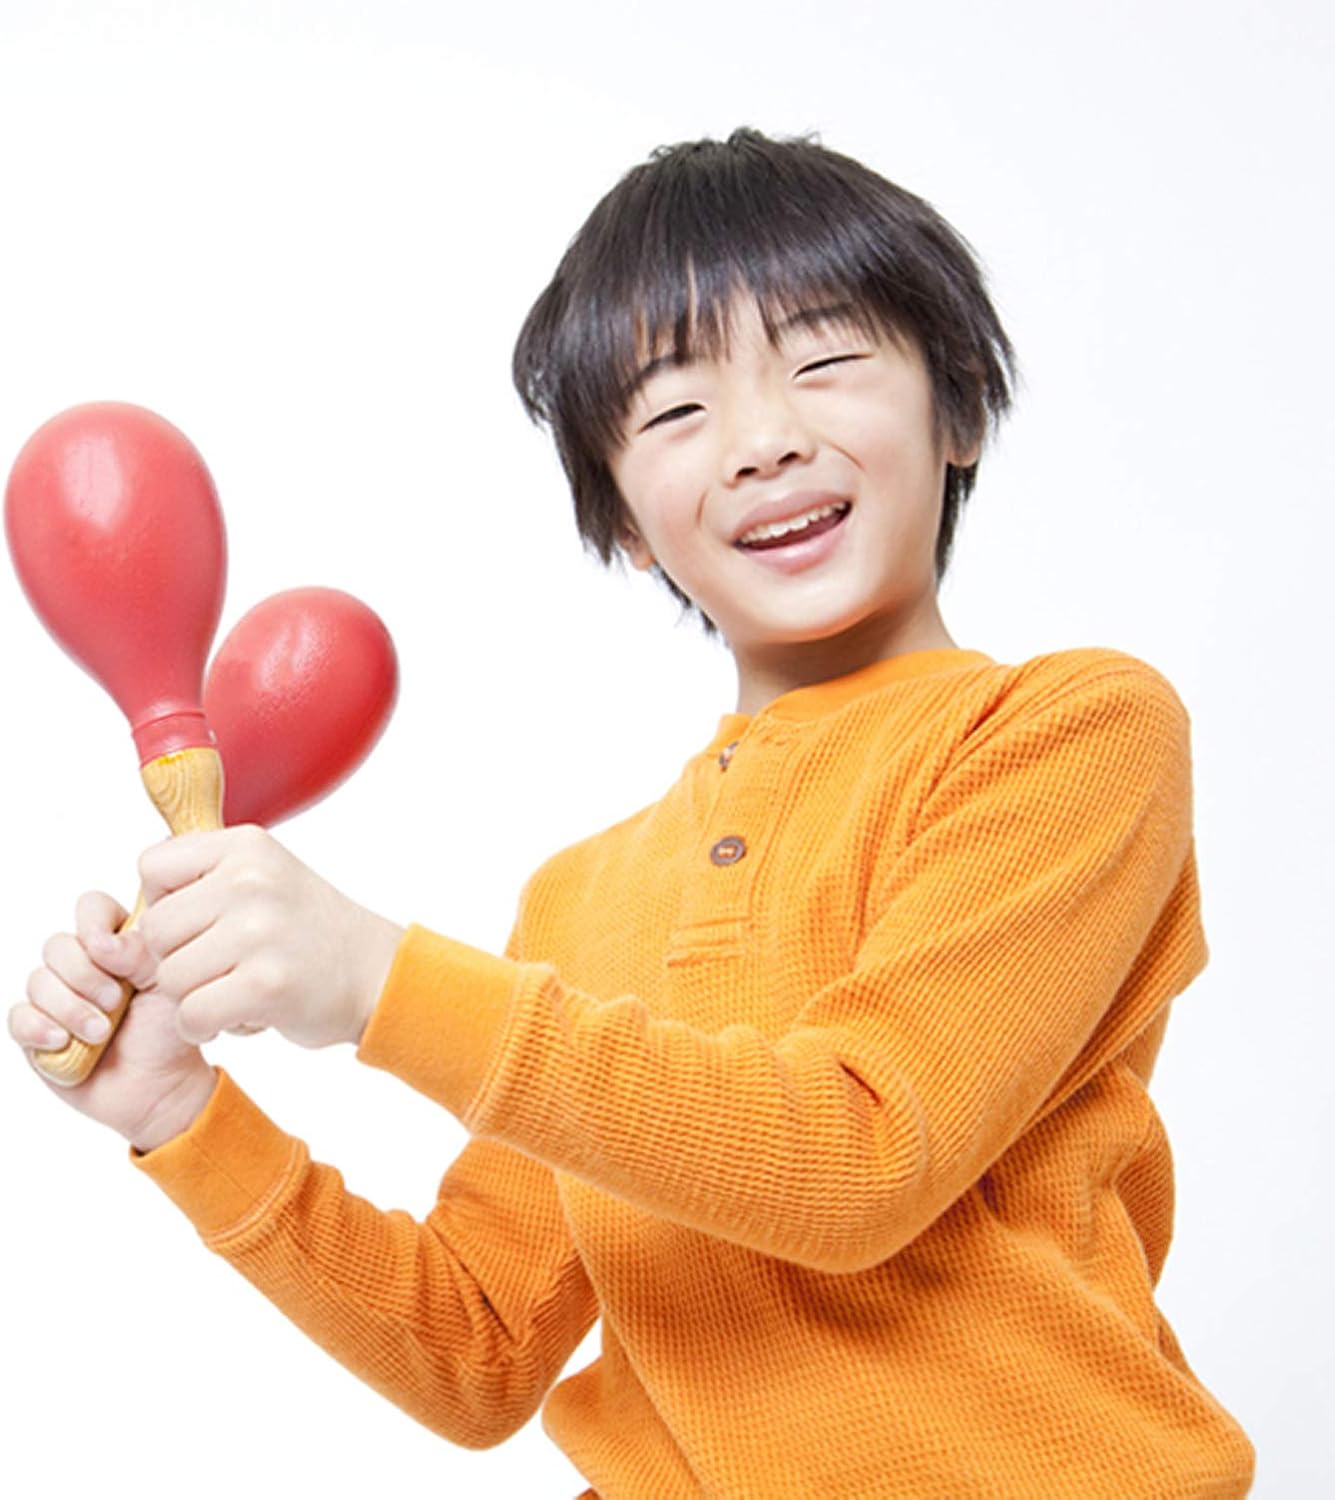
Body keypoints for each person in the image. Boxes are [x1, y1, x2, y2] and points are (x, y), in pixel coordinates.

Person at [10, 128, 1257, 1497]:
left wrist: (378, 982)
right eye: (675, 412)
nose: (764, 441)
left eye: (825, 360)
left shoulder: (1068, 731)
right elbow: (477, 1350)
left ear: (955, 410)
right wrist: (183, 1113)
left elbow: (860, 1155)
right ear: (619, 519)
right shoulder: (579, 897)